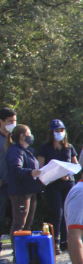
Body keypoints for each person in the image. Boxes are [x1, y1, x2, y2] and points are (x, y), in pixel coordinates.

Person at [37, 119, 79, 254]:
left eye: (61, 130)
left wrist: (68, 173)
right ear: (51, 132)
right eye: (56, 131)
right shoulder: (45, 148)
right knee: (57, 213)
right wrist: (56, 175)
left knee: (68, 212)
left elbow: (76, 166)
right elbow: (41, 168)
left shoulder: (69, 147)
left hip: (68, 183)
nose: (59, 133)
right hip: (52, 185)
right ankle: (55, 241)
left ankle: (66, 241)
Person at [5, 125, 43, 243]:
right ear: (22, 136)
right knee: (19, 224)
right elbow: (16, 169)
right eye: (28, 133)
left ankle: (25, 252)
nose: (31, 136)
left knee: (27, 224)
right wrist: (31, 172)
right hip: (20, 192)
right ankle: (17, 253)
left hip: (30, 190)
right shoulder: (15, 151)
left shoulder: (27, 151)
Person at [0, 107, 16, 255]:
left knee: (16, 219)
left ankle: (17, 251)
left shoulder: (15, 138)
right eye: (10, 121)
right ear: (1, 122)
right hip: (1, 185)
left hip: (15, 186)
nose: (13, 124)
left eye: (14, 121)